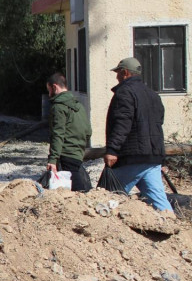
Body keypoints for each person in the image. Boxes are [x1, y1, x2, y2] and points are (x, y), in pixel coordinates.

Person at [104, 57, 173, 212]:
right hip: (152, 156)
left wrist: (112, 150)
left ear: (125, 72)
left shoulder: (124, 93)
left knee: (107, 197)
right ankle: (172, 228)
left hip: (132, 157)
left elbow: (123, 123)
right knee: (159, 202)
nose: (117, 77)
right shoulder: (153, 95)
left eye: (118, 73)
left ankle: (103, 233)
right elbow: (158, 122)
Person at [45, 72, 91, 191]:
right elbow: (88, 131)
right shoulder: (78, 105)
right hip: (78, 153)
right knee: (79, 187)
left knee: (76, 192)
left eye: (49, 90)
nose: (49, 94)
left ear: (54, 87)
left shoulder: (59, 106)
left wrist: (53, 159)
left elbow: (57, 134)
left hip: (66, 154)